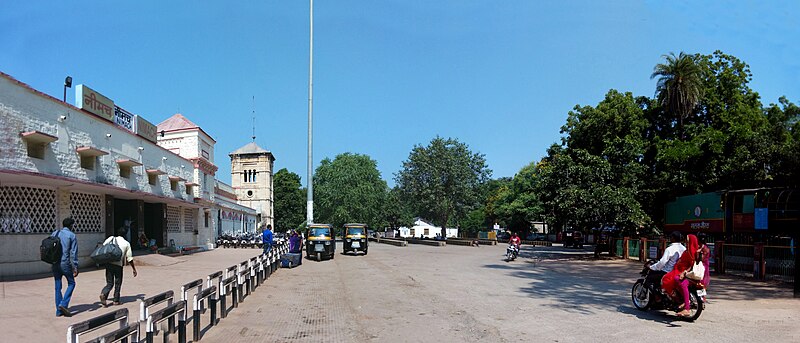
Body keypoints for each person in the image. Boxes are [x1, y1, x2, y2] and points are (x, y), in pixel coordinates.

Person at [662, 234, 699, 317]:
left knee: (669, 280)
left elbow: (692, 265)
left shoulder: (692, 251)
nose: (686, 242)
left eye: (687, 240)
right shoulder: (687, 249)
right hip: (677, 269)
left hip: (682, 271)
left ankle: (682, 303)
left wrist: (684, 272)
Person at [99, 227, 138, 307]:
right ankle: (116, 301)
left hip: (109, 263)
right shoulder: (126, 243)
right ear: (125, 234)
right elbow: (129, 258)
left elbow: (103, 247)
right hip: (118, 265)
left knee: (109, 283)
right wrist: (134, 269)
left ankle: (104, 294)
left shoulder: (111, 238)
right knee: (118, 283)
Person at [52, 217, 79, 317]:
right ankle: (63, 304)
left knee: (57, 287)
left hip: (55, 263)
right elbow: (73, 253)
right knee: (71, 283)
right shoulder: (71, 235)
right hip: (65, 263)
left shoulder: (55, 233)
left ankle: (58, 311)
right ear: (71, 225)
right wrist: (75, 266)